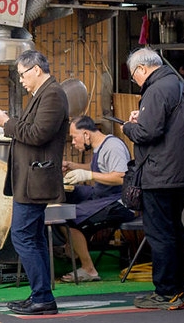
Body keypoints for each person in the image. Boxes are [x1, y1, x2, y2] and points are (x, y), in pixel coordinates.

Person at [122, 47, 184, 310]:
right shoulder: (179, 85)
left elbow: (147, 133)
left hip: (160, 174)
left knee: (160, 234)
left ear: (142, 69)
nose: (135, 80)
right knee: (174, 231)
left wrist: (128, 127)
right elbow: (164, 125)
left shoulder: (156, 89)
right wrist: (142, 119)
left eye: (133, 75)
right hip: (180, 174)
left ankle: (166, 292)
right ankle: (178, 290)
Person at [0, 50, 69, 316]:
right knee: (32, 238)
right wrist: (9, 121)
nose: (21, 80)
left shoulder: (54, 94)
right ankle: (40, 295)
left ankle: (43, 298)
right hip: (30, 178)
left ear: (36, 69)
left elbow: (37, 134)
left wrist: (6, 123)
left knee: (22, 236)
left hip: (35, 180)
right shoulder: (42, 94)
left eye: (22, 74)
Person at [59, 115, 135, 282]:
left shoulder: (112, 147)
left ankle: (88, 269)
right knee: (64, 196)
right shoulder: (99, 145)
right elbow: (100, 168)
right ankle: (70, 249)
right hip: (103, 193)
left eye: (74, 137)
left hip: (120, 202)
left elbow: (121, 177)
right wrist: (73, 166)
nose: (73, 142)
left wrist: (88, 174)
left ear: (86, 134)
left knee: (67, 216)